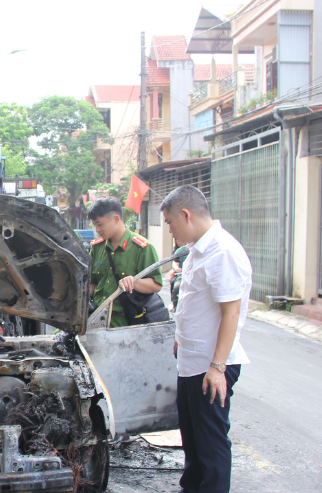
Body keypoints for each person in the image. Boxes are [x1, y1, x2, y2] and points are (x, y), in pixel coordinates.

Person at [160, 185, 251, 493]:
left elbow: (231, 313)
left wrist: (217, 367)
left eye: (170, 222)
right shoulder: (198, 250)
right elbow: (195, 302)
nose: (169, 229)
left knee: (210, 443)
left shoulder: (222, 252)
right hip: (192, 361)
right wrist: (181, 337)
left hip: (210, 366)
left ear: (186, 215)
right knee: (193, 439)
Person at [87, 196, 163, 327]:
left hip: (124, 324)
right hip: (96, 320)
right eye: (95, 225)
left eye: (100, 224)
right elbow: (92, 282)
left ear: (116, 219)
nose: (97, 230)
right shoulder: (97, 248)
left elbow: (156, 284)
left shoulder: (142, 248)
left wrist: (134, 282)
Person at [168, 238, 189, 311]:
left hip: (194, 275)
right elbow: (174, 263)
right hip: (182, 274)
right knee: (176, 286)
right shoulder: (180, 251)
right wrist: (177, 269)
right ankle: (175, 306)